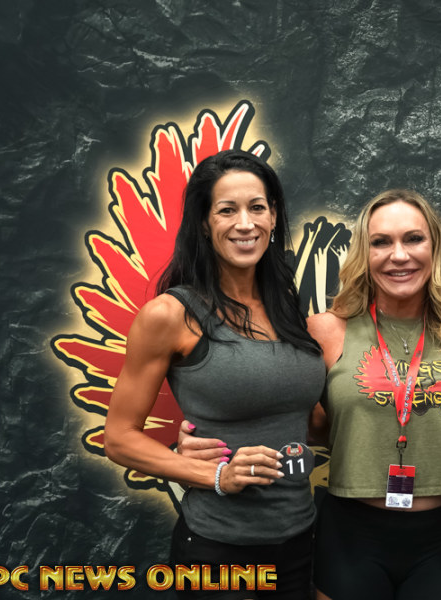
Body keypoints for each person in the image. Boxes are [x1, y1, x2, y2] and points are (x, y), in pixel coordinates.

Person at [180, 189, 441, 600]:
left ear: (435, 247)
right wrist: (208, 441)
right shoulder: (325, 330)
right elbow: (280, 408)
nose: (398, 255)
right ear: (364, 254)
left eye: (413, 239)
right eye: (381, 242)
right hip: (352, 535)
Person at [104, 149, 326, 599]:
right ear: (204, 224)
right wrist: (211, 474)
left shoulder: (285, 304)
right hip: (217, 552)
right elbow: (119, 438)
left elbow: (305, 419)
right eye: (227, 210)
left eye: (257, 207)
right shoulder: (170, 315)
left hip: (299, 542)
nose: (245, 223)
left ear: (273, 216)